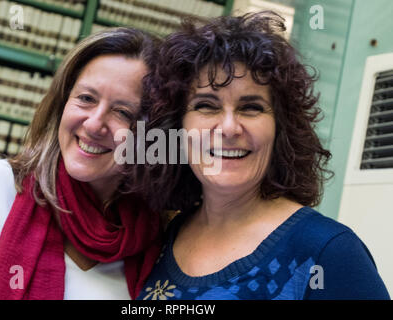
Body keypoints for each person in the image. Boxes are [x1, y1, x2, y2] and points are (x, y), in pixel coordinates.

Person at [133, 12, 390, 300]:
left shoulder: (327, 252)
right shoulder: (163, 236)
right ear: (177, 126)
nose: (229, 128)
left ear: (280, 129)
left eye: (251, 107)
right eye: (206, 105)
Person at [0, 28, 162, 300]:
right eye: (86, 98)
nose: (94, 124)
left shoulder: (159, 243)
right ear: (63, 102)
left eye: (123, 112)